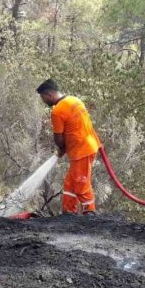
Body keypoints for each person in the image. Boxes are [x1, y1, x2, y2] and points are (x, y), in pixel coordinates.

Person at [36, 79, 101, 215]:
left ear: (49, 95)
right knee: (70, 184)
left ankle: (90, 213)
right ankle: (68, 213)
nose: (43, 101)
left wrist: (61, 148)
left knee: (80, 182)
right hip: (90, 145)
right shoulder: (74, 100)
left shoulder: (57, 111)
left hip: (81, 150)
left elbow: (58, 138)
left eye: (43, 98)